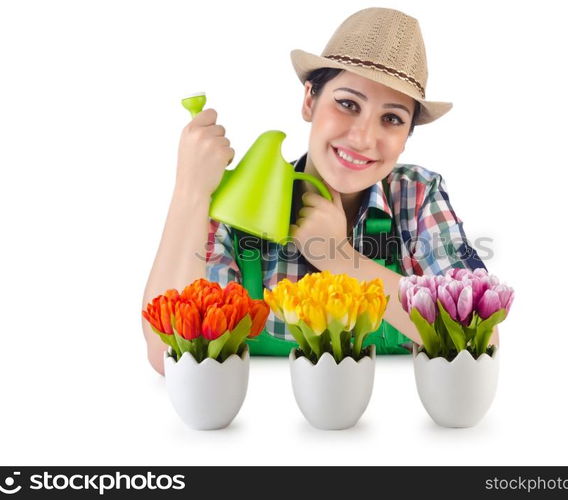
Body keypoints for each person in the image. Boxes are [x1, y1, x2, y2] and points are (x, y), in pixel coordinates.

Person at [142, 7, 498, 375]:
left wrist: (341, 259)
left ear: (406, 137)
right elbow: (168, 354)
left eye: (391, 118)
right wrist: (190, 191)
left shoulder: (417, 196)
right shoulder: (244, 199)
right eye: (347, 104)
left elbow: (478, 341)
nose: (362, 137)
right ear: (310, 100)